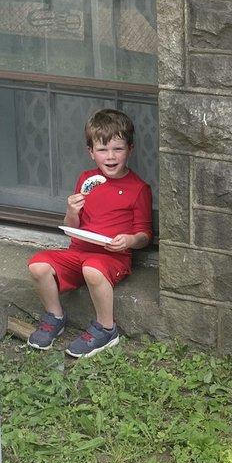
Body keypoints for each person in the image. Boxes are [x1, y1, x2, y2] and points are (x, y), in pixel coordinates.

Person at [27, 108, 153, 358]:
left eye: (118, 149)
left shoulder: (139, 188)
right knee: (37, 265)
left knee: (93, 269)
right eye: (102, 149)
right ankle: (55, 316)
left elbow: (145, 234)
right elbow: (72, 227)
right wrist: (71, 211)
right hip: (79, 252)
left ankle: (106, 328)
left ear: (130, 149)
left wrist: (129, 240)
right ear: (91, 152)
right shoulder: (87, 179)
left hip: (112, 257)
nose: (110, 156)